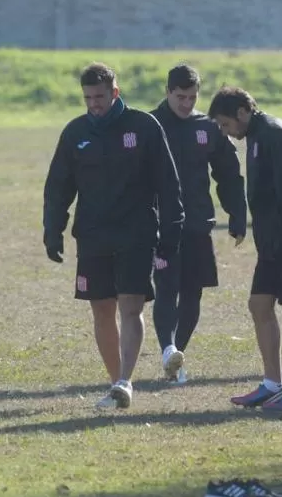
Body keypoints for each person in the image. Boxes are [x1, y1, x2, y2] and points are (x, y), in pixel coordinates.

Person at [43, 62, 184, 408]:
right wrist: (53, 230)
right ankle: (116, 384)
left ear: (115, 93)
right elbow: (59, 187)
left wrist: (171, 232)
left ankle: (125, 380)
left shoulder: (143, 126)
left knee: (130, 307)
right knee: (101, 311)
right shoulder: (75, 133)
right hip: (92, 236)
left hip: (136, 233)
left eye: (100, 96)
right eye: (88, 97)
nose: (94, 103)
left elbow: (168, 184)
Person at [208, 87, 282, 412]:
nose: (225, 132)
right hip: (274, 244)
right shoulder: (258, 136)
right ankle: (271, 384)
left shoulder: (275, 135)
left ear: (242, 113)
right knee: (259, 305)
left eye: (225, 124)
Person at [149, 64, 247, 384]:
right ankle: (167, 349)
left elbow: (229, 174)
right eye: (180, 97)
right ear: (167, 92)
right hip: (161, 227)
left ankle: (176, 357)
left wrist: (236, 213)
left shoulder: (207, 128)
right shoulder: (150, 125)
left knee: (193, 294)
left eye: (192, 97)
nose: (186, 104)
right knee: (166, 289)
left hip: (197, 224)